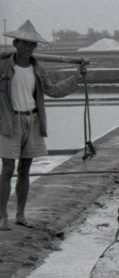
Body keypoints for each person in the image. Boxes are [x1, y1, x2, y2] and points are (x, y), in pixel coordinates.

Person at [1, 20, 87, 231]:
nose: (29, 47)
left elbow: (54, 90)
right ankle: (2, 216)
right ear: (16, 43)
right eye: (25, 43)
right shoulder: (3, 66)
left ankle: (20, 215)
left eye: (33, 44)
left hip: (32, 120)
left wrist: (76, 78)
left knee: (24, 168)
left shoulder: (38, 68)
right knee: (7, 169)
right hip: (8, 122)